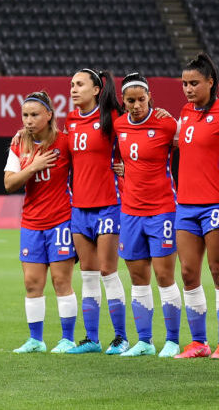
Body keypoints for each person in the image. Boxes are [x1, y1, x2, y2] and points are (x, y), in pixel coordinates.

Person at [173, 54, 219, 360]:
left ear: (210, 83)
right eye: (185, 83)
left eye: (194, 83)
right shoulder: (185, 112)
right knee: (188, 273)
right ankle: (199, 342)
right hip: (185, 205)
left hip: (217, 203)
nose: (188, 89)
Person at [61, 69, 130, 355]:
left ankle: (121, 337)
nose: (73, 89)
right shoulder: (71, 120)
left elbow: (136, 145)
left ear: (96, 89)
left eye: (80, 84)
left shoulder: (113, 119)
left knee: (107, 272)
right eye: (71, 85)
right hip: (80, 208)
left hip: (108, 205)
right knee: (88, 275)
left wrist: (128, 168)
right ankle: (91, 339)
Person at [113, 72, 181, 357]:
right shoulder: (118, 125)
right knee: (138, 277)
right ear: (124, 101)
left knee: (165, 276)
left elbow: (195, 149)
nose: (137, 105)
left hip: (162, 210)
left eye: (142, 99)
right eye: (131, 100)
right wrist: (124, 170)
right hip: (130, 212)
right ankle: (144, 341)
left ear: (150, 97)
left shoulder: (167, 124)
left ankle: (173, 341)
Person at [4, 91, 77, 354]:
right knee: (32, 283)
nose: (29, 120)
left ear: (49, 115)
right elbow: (9, 183)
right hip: (31, 223)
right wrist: (33, 166)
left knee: (61, 281)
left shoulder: (66, 143)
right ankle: (36, 340)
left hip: (61, 221)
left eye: (35, 115)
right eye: (25, 115)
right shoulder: (19, 145)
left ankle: (67, 339)